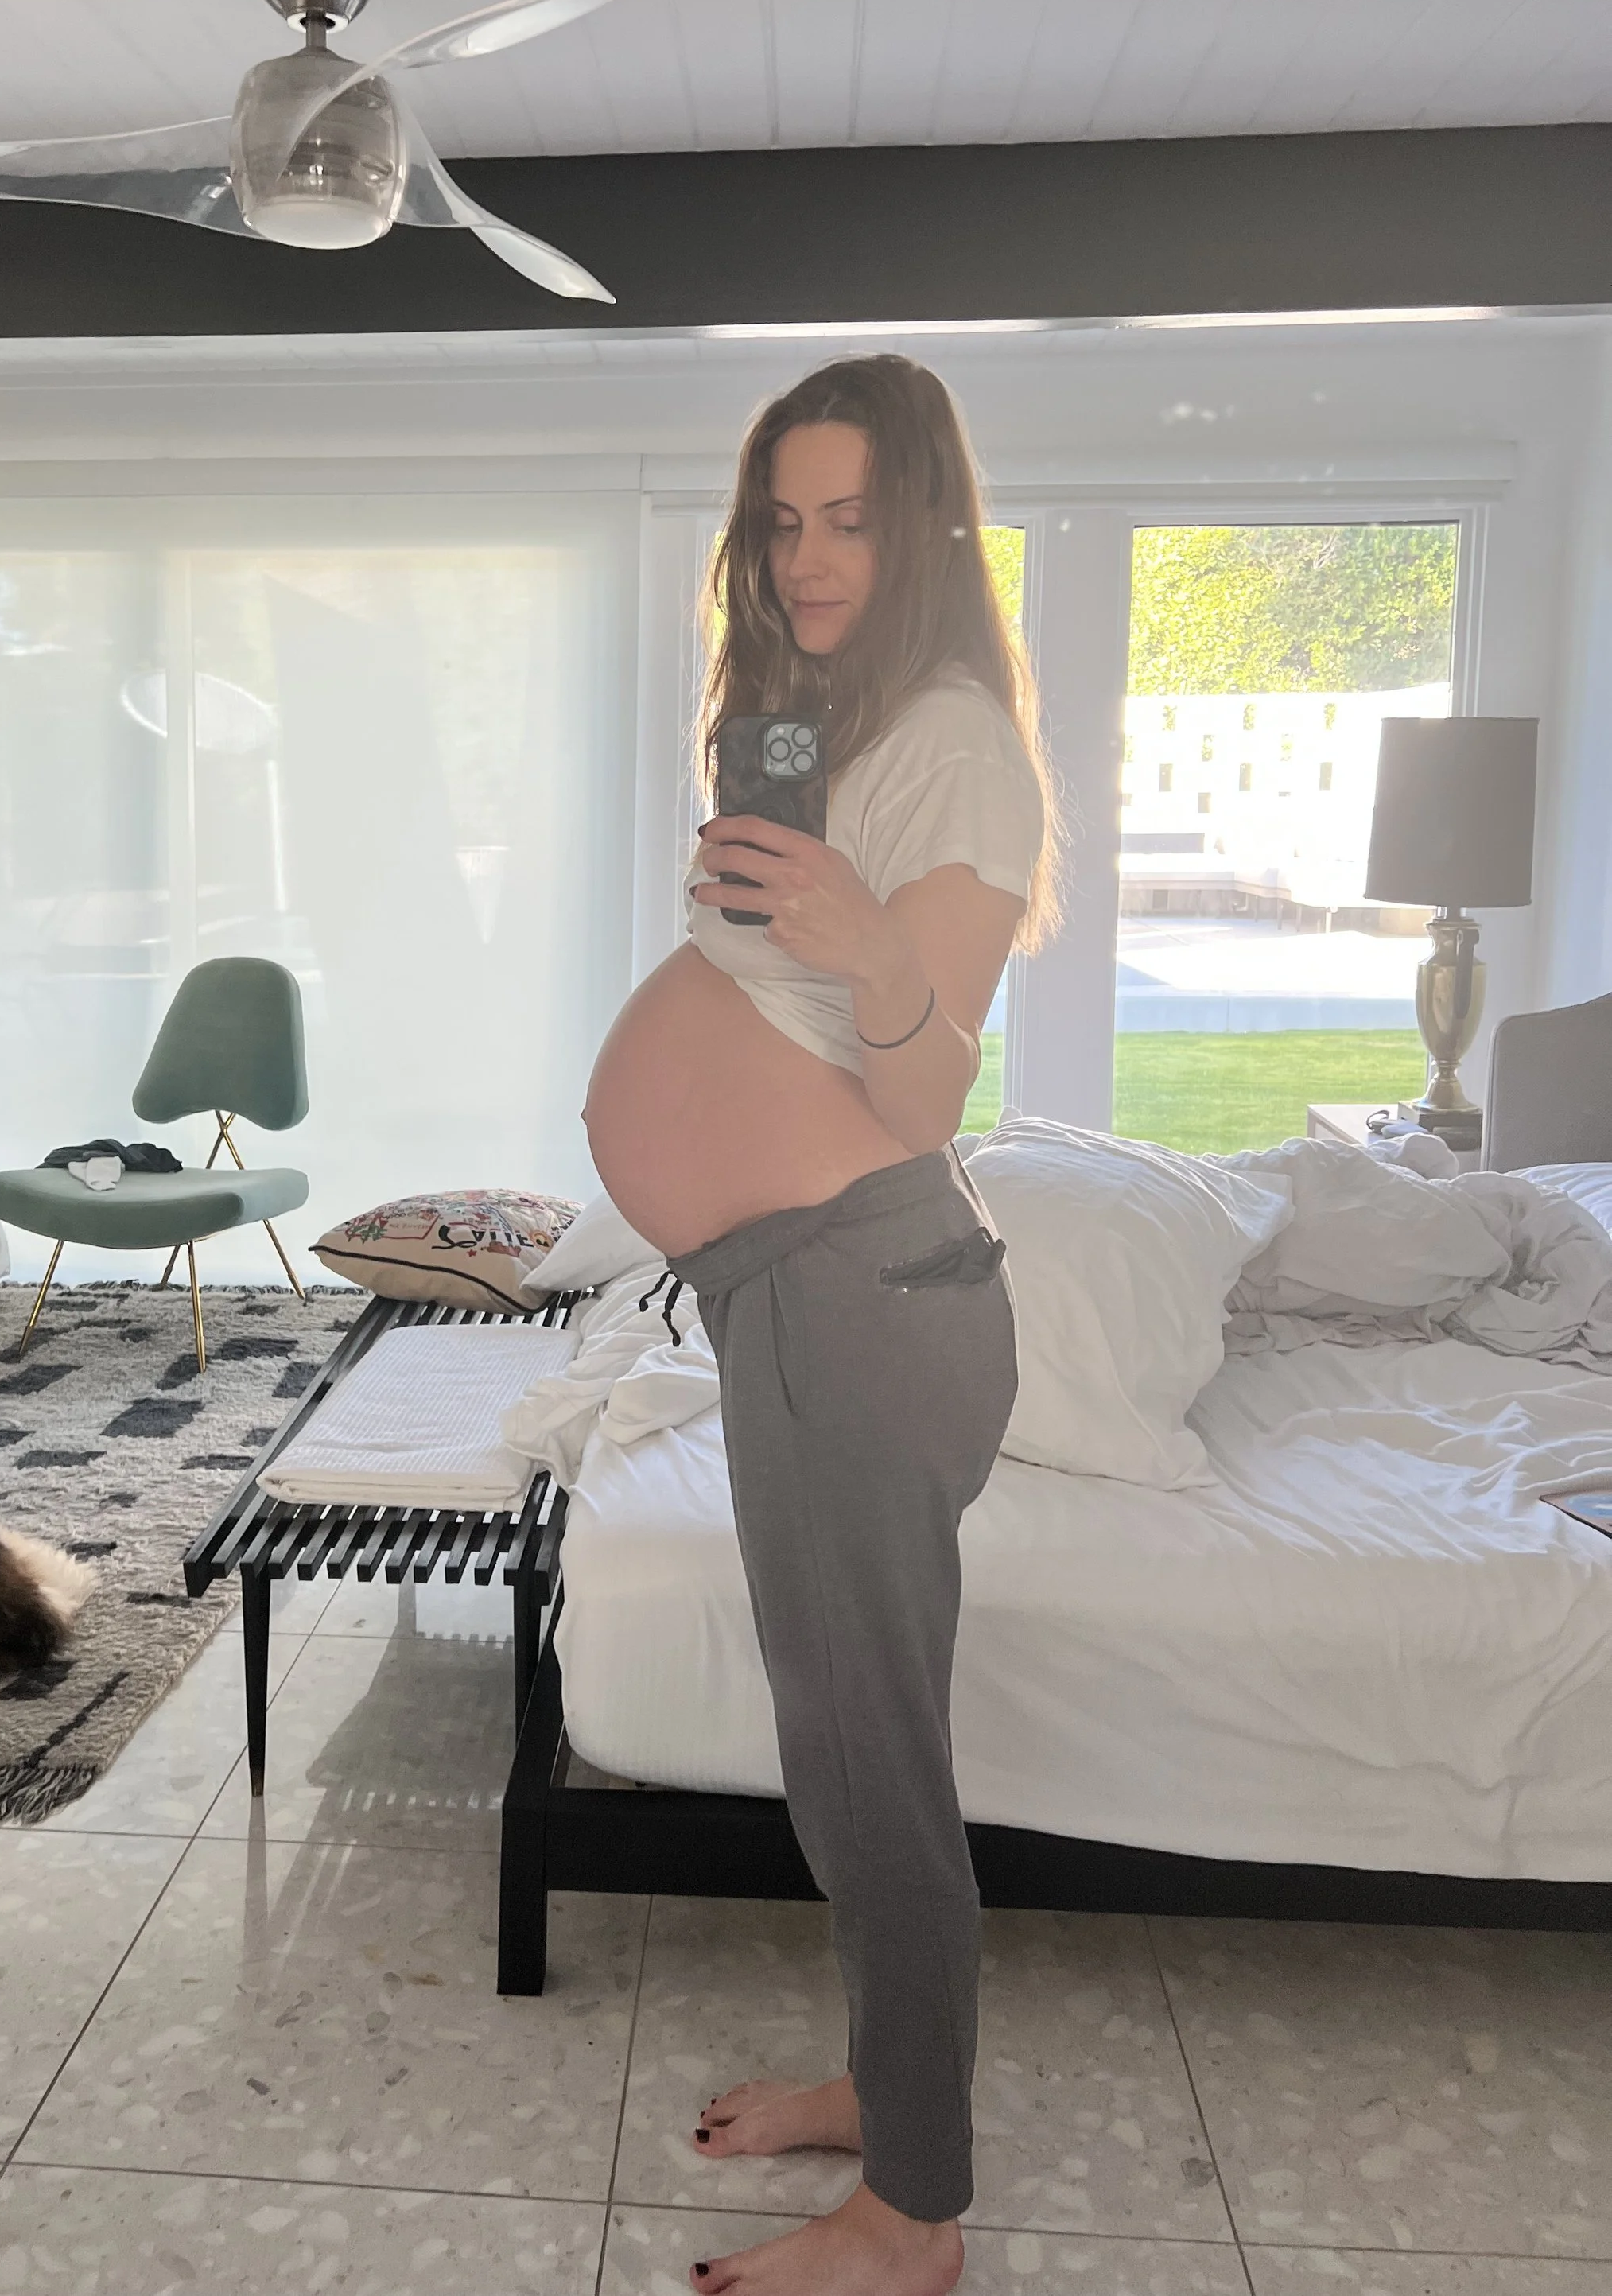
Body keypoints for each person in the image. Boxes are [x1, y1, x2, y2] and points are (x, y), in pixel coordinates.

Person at [585, 354, 1055, 2296]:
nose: (806, 555)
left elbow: (924, 1090)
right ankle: (888, 2085)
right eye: (781, 519)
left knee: (866, 1765)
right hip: (807, 1296)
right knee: (844, 1747)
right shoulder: (849, 725)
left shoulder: (958, 741)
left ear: (926, 523)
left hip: (853, 1296)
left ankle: (910, 2222)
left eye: (850, 514)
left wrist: (861, 937)